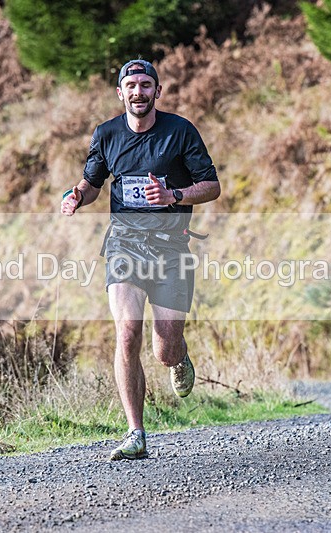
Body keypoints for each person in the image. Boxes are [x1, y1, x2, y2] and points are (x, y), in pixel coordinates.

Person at [60, 59, 220, 460]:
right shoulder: (107, 134)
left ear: (157, 91)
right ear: (120, 92)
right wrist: (76, 196)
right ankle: (135, 433)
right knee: (127, 333)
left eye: (146, 85)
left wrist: (175, 197)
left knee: (164, 347)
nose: (138, 92)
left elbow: (212, 186)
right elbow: (93, 183)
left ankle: (178, 357)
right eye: (131, 85)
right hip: (124, 246)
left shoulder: (181, 131)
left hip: (170, 248)